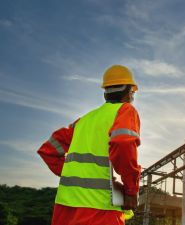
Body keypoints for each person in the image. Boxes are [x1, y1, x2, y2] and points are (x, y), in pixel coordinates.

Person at [37, 65, 141, 225]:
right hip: (99, 210)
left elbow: (48, 150)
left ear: (105, 92)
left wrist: (78, 178)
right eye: (132, 93)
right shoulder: (125, 110)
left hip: (64, 209)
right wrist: (131, 190)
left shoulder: (84, 121)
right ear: (129, 92)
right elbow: (123, 144)